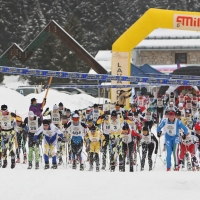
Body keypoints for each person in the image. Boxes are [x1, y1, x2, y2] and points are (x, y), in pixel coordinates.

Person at [0, 104, 20, 168]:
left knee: (11, 147)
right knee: (4, 148)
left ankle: (13, 162)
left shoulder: (10, 114)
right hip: (3, 132)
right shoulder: (0, 114)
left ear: (7, 110)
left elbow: (19, 118)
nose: (4, 112)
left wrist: (16, 116)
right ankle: (5, 162)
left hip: (11, 132)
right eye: (2, 111)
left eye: (5, 111)